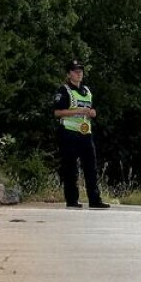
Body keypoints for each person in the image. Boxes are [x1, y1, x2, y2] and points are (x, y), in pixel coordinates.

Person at [52, 60, 107, 208]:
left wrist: (92, 113)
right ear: (69, 73)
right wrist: (77, 111)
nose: (79, 73)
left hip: (85, 133)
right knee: (70, 168)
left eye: (80, 71)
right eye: (75, 71)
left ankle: (95, 200)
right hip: (69, 133)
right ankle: (72, 200)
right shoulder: (64, 90)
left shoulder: (87, 91)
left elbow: (89, 109)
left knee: (91, 168)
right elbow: (57, 112)